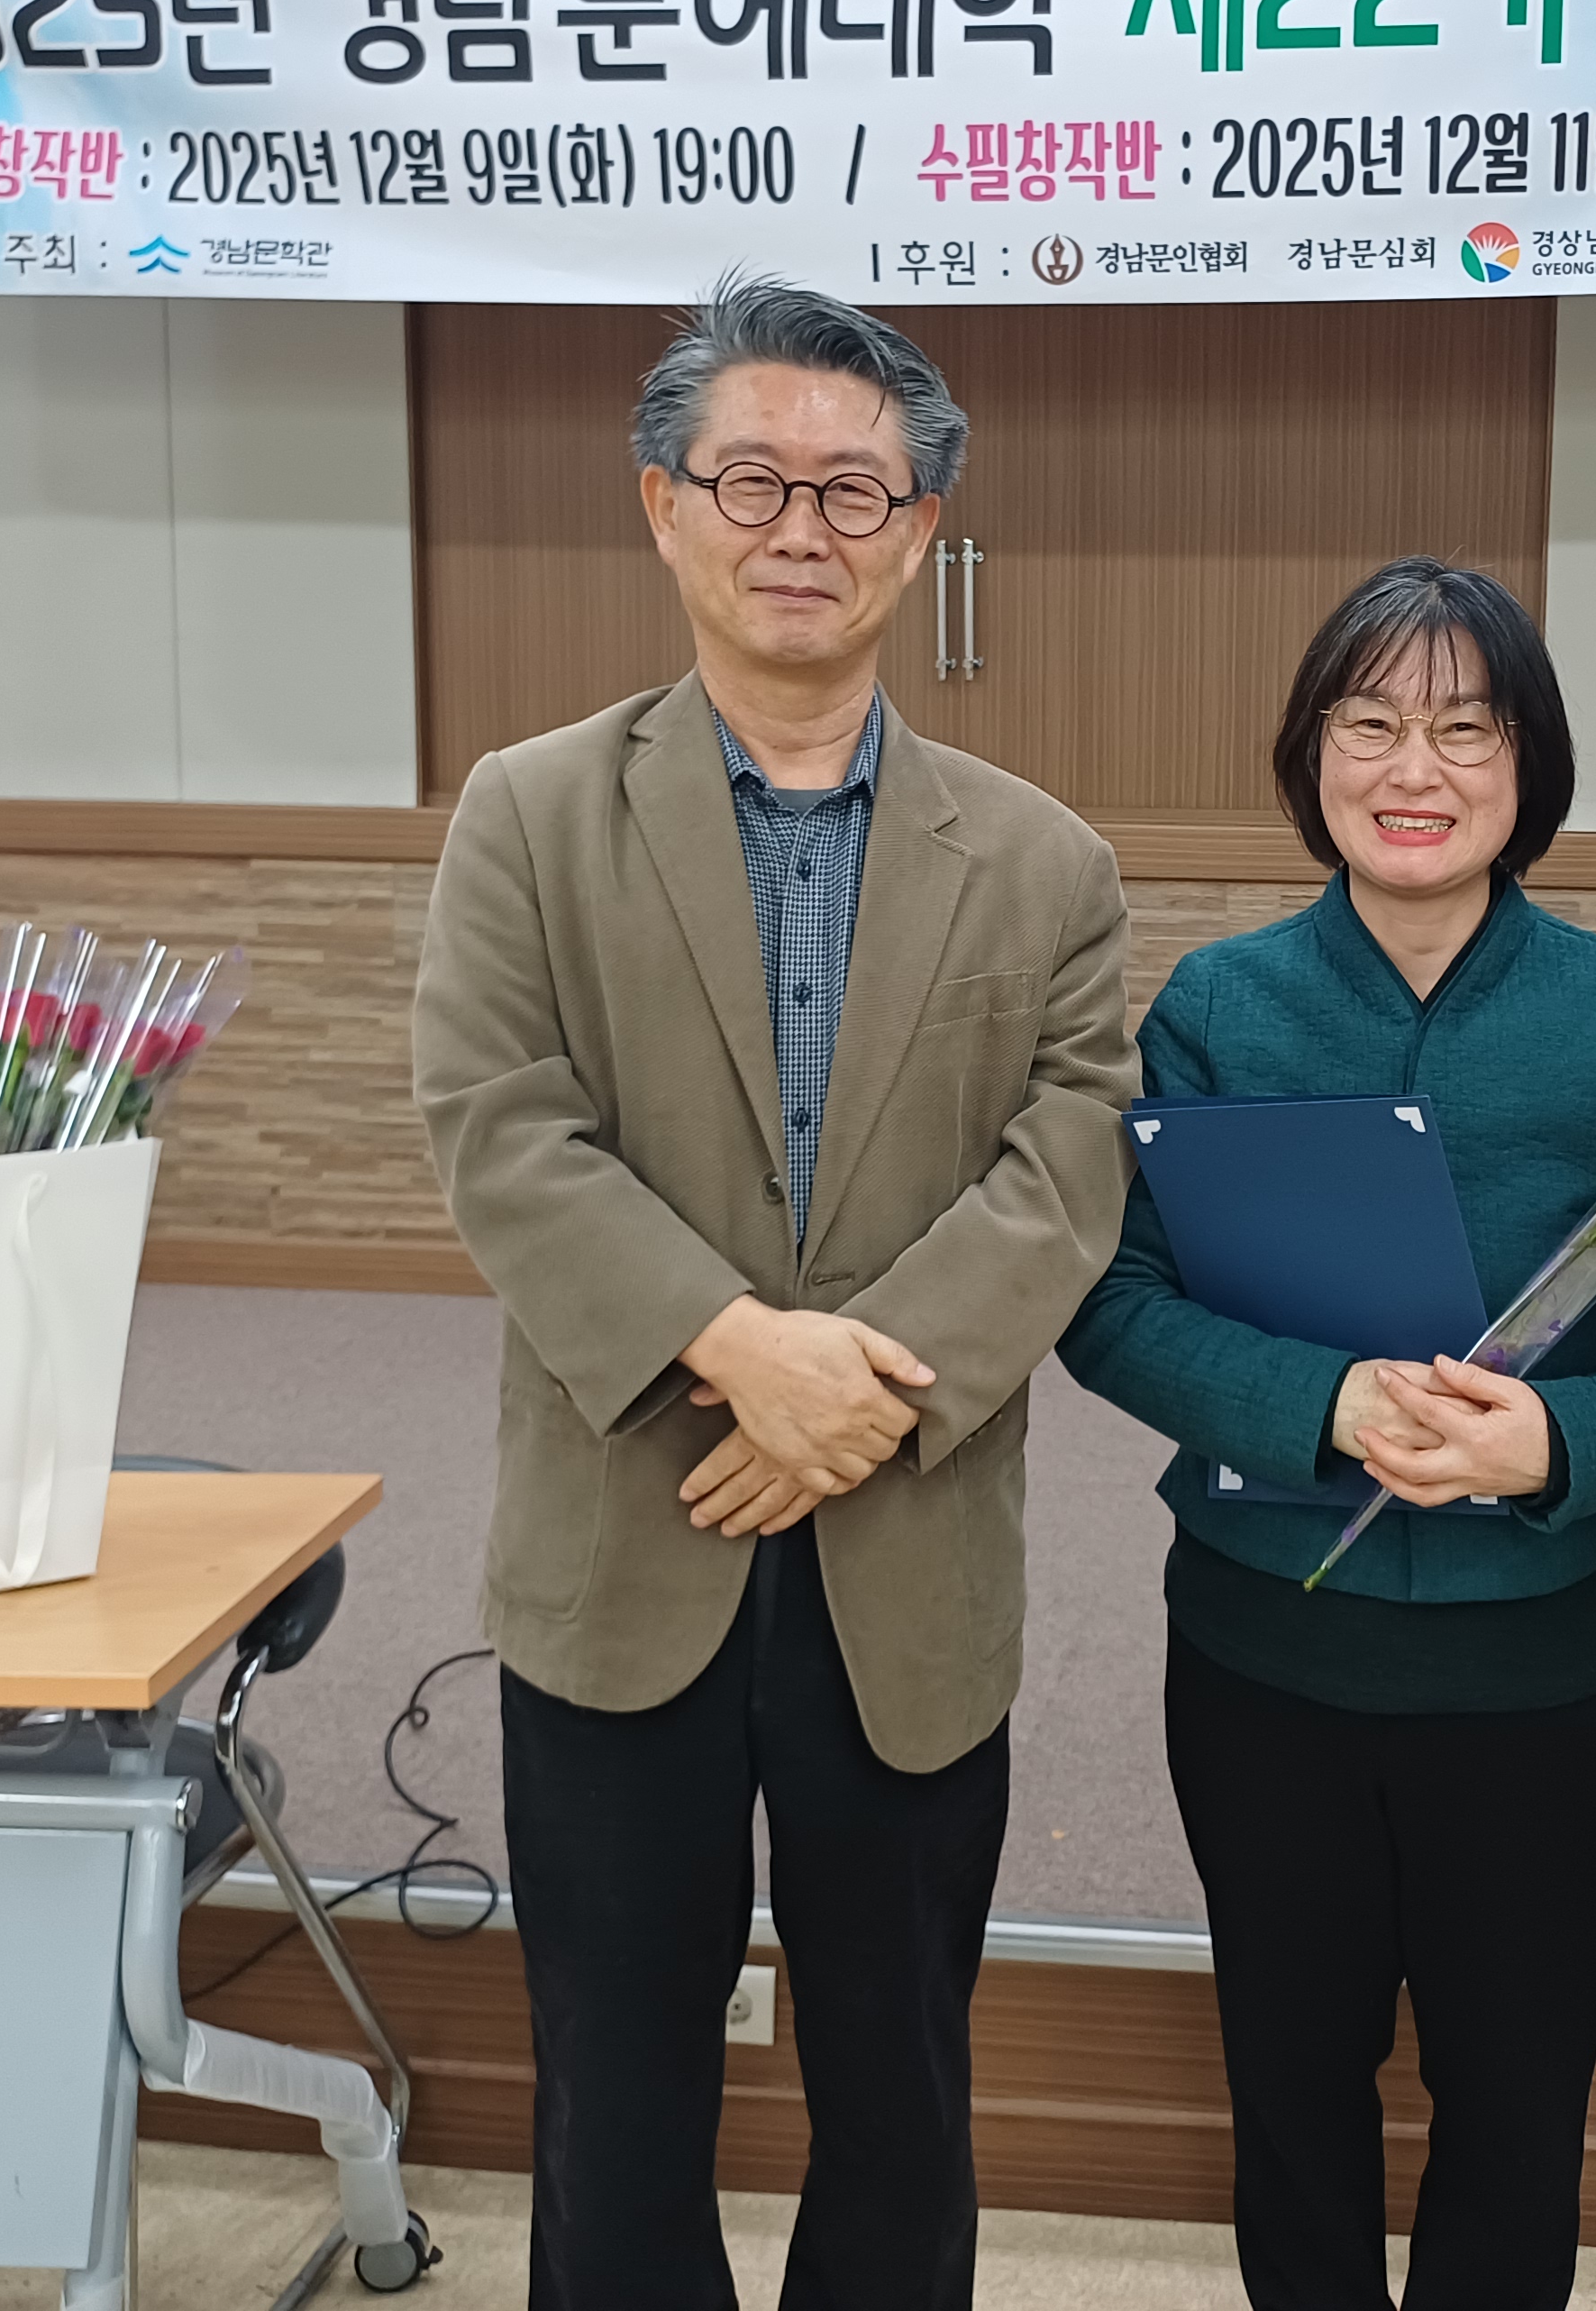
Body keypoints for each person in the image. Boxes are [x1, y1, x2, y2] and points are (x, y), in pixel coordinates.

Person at [412, 273, 1139, 2311]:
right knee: (615, 2087)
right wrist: (742, 1355)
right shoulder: (529, 813)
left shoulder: (1045, 862)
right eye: (752, 480)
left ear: (920, 532)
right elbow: (498, 1126)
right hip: (625, 1537)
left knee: (899, 2085)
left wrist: (853, 1402)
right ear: (663, 506)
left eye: (852, 490)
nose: (800, 527)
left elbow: (1070, 1158)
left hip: (904, 1553)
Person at [1059, 559, 1596, 2311]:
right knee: (1288, 2084)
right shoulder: (1220, 1006)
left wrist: (1558, 1441)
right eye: (1368, 723)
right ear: (1309, 754)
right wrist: (1315, 1403)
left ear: (1530, 764)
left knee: (1516, 2099)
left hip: (1537, 1672)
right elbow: (1111, 1299)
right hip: (1263, 1659)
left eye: (1466, 728)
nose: (1414, 768)